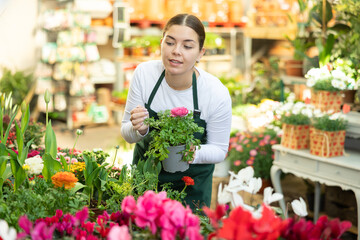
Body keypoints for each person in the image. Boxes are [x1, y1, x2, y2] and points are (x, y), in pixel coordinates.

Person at [121, 13, 232, 211]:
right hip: (146, 184)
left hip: (191, 190)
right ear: (161, 43)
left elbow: (220, 150)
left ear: (200, 53)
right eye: (170, 42)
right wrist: (140, 129)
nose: (176, 52)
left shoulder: (215, 93)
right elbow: (127, 134)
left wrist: (191, 153)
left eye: (187, 46)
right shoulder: (144, 74)